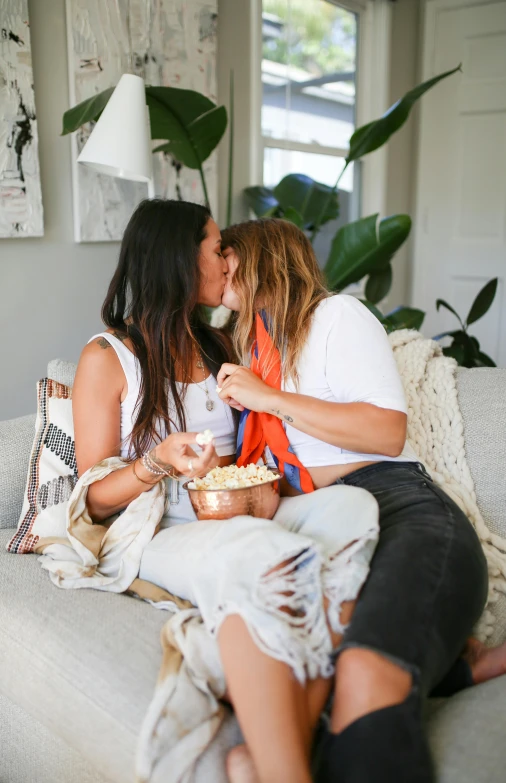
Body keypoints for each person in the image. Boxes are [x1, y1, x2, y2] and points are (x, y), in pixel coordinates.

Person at [72, 199, 382, 783]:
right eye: (217, 249)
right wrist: (158, 463)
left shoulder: (220, 345)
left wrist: (252, 474)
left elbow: (253, 447)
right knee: (261, 557)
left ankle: (269, 751)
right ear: (180, 261)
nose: (228, 261)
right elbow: (93, 498)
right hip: (155, 525)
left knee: (353, 510)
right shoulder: (107, 358)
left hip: (228, 509)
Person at [216, 217, 501, 783]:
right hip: (327, 528)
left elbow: (385, 432)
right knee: (290, 686)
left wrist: (271, 399)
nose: (221, 269)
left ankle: (446, 664)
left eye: (231, 258)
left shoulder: (335, 316)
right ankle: (455, 665)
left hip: (402, 510)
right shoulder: (253, 343)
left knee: (365, 676)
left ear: (267, 258)